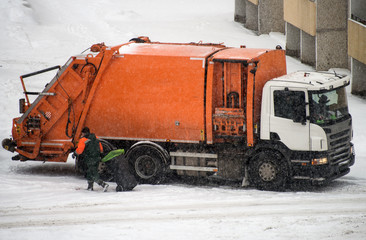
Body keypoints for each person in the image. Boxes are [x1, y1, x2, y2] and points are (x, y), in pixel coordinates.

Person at [75, 127, 109, 192]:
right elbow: (101, 149)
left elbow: (80, 150)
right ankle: (90, 187)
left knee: (92, 174)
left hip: (89, 159)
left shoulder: (83, 140)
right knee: (91, 173)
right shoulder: (96, 138)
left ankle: (104, 185)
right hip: (96, 158)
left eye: (82, 133)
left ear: (83, 133)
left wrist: (75, 154)